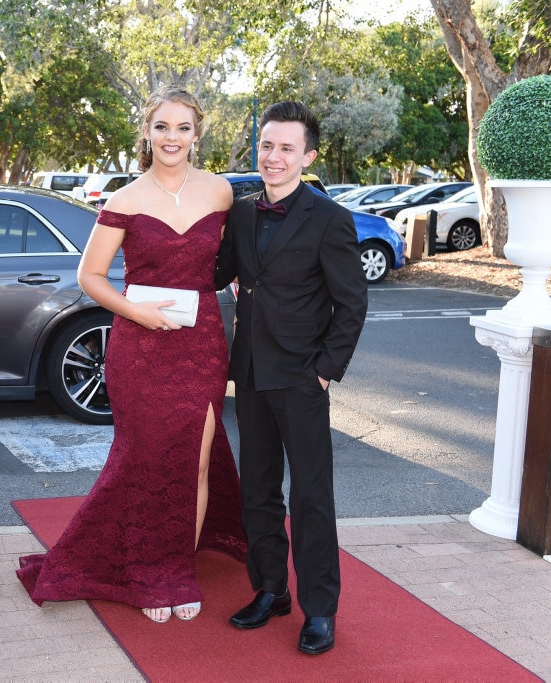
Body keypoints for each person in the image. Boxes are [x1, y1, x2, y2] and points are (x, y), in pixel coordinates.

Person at [17, 86, 246, 624]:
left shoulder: (220, 193)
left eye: (183, 128)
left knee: (196, 456)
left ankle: (177, 568)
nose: (172, 138)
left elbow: (234, 262)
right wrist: (136, 313)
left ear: (198, 134)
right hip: (140, 347)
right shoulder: (124, 200)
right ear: (147, 132)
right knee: (145, 459)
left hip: (202, 343)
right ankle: (149, 569)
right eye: (162, 127)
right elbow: (89, 277)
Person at [214, 101, 368, 654]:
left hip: (303, 378)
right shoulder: (242, 210)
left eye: (285, 148)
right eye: (266, 145)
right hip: (251, 373)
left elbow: (352, 304)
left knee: (310, 498)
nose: (273, 157)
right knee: (257, 491)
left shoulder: (330, 218)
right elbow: (220, 272)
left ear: (308, 155)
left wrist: (325, 372)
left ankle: (319, 610)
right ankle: (271, 589)